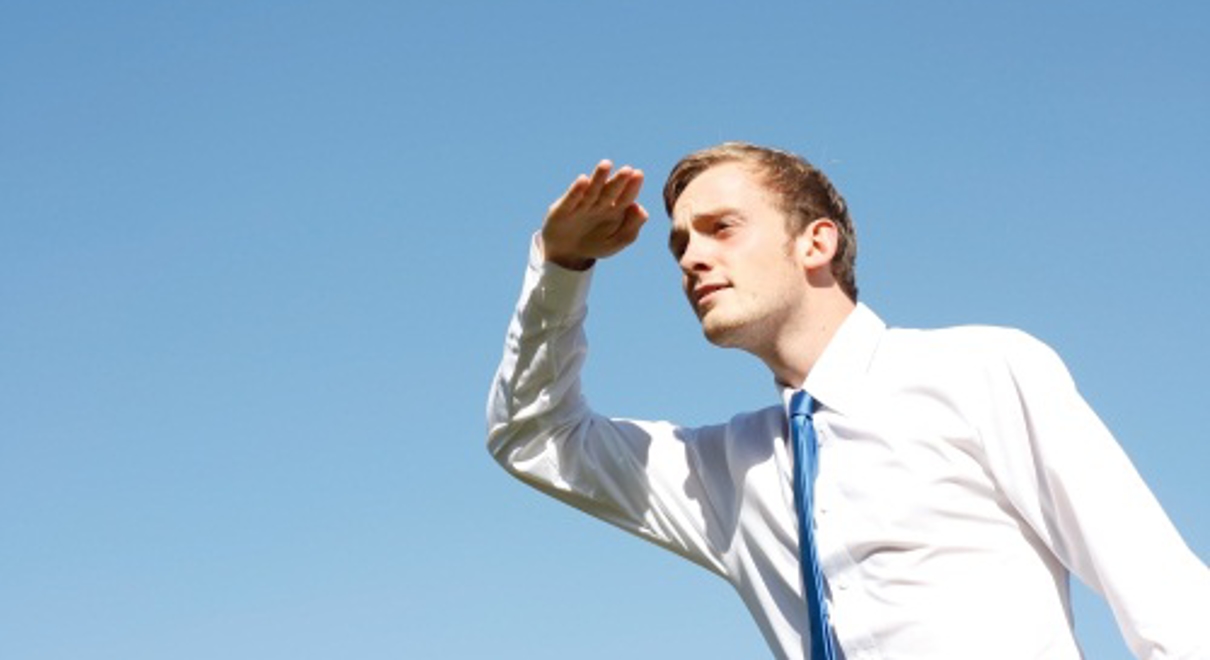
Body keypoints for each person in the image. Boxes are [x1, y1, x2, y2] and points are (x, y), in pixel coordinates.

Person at [485, 142, 1209, 659]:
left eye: (722, 229)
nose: (691, 258)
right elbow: (534, 437)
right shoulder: (725, 471)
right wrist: (562, 267)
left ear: (816, 243)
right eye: (678, 245)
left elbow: (1167, 600)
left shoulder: (979, 369)